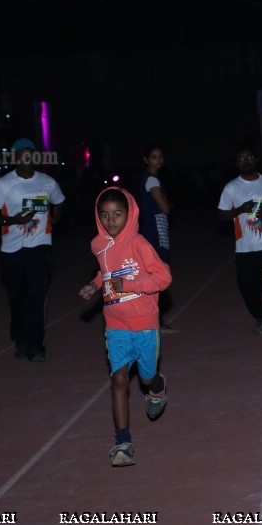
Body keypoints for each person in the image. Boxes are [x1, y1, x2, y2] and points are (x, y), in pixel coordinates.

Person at [79, 187, 172, 467]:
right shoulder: (99, 245)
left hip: (144, 323)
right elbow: (105, 272)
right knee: (118, 379)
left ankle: (157, 387)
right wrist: (94, 285)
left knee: (145, 378)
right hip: (115, 323)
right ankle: (123, 443)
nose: (111, 221)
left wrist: (132, 285)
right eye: (104, 215)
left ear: (129, 214)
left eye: (117, 215)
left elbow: (164, 278)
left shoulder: (139, 243)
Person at [0, 138, 65, 362]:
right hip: (11, 249)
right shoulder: (2, 185)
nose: (27, 157)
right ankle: (21, 339)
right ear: (14, 157)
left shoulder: (48, 182)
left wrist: (55, 217)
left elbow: (59, 203)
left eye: (31, 153)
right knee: (18, 296)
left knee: (36, 294)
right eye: (22, 154)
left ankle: (36, 345)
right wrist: (10, 220)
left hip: (40, 245)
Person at [218, 146, 262, 334]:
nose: (245, 161)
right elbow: (221, 215)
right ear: (236, 163)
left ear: (256, 160)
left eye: (249, 157)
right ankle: (259, 316)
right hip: (244, 248)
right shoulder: (231, 187)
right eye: (241, 158)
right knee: (246, 285)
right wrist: (240, 209)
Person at [137, 144, 176, 332]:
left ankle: (154, 320)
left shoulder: (152, 179)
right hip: (155, 233)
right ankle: (155, 322)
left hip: (155, 231)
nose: (158, 160)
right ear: (146, 159)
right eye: (153, 156)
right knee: (158, 277)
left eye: (160, 156)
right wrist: (167, 205)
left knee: (154, 277)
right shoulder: (152, 180)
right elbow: (165, 207)